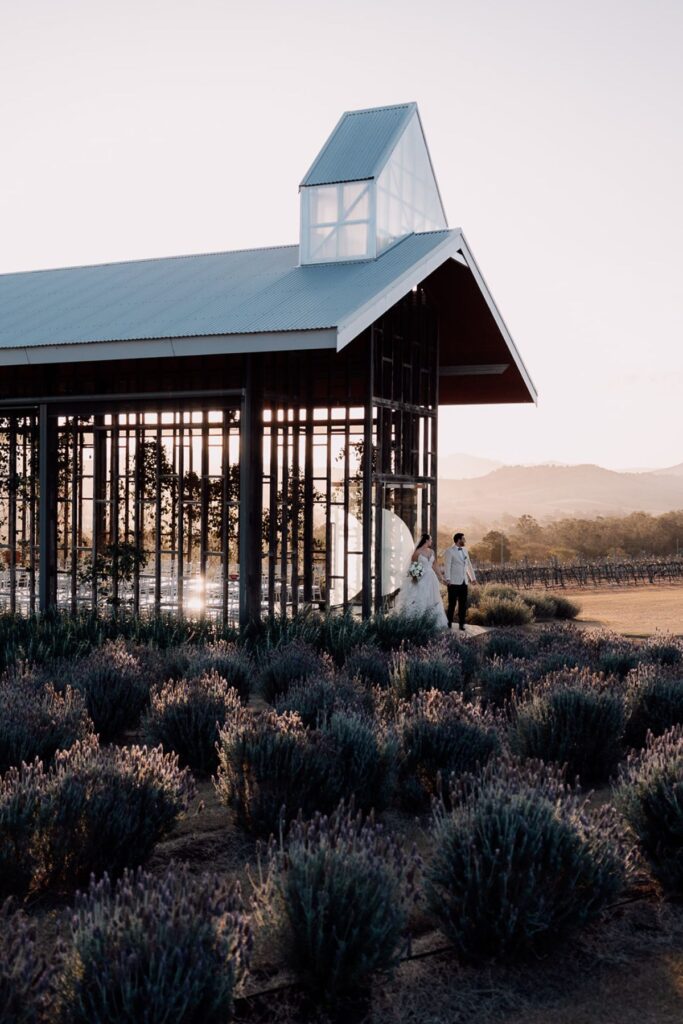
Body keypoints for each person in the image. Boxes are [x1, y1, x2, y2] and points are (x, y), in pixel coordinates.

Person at [394, 532, 449, 629]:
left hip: (432, 578)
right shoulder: (417, 553)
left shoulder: (431, 552)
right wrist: (415, 580)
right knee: (421, 597)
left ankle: (434, 621)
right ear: (426, 540)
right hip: (422, 578)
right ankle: (419, 620)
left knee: (433, 598)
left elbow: (435, 565)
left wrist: (441, 577)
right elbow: (414, 567)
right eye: (430, 539)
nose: (431, 541)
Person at [444, 532, 477, 630]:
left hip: (464, 582)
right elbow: (447, 566)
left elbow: (468, 565)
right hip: (453, 582)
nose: (465, 541)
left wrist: (473, 578)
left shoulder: (465, 550)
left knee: (463, 604)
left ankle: (461, 624)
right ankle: (449, 622)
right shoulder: (449, 551)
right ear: (458, 540)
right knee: (452, 604)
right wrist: (448, 579)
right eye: (463, 539)